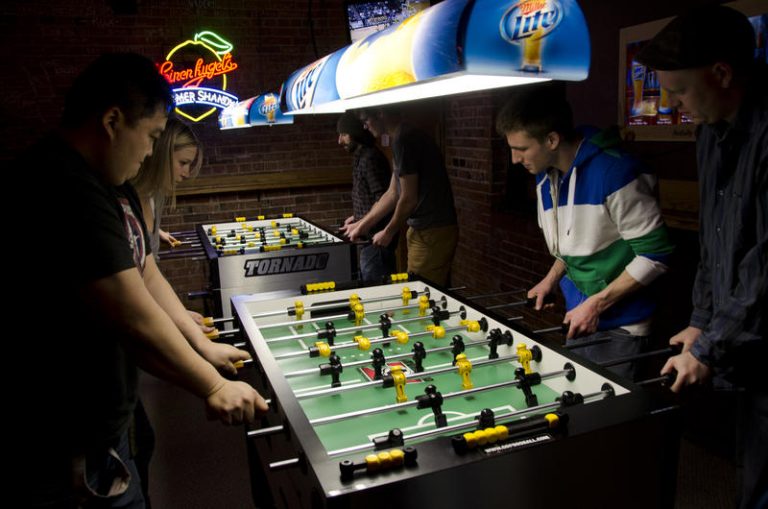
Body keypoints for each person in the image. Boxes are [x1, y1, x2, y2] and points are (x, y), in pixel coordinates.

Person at [14, 53, 267, 508]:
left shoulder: (113, 183)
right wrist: (211, 385)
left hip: (107, 424)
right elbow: (130, 315)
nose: (151, 151)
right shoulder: (63, 185)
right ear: (112, 121)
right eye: (151, 135)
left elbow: (146, 273)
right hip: (63, 443)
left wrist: (201, 344)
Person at [636, 5, 767, 508]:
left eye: (680, 91)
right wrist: (700, 321)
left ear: (722, 73)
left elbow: (765, 266)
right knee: (749, 469)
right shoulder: (710, 131)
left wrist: (710, 347)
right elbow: (716, 241)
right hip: (745, 342)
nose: (673, 104)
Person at [496, 86, 674, 380]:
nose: (515, 159)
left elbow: (656, 255)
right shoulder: (544, 176)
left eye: (522, 149)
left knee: (607, 408)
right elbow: (576, 244)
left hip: (622, 326)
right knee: (577, 398)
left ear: (552, 140)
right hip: (579, 313)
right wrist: (551, 279)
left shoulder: (616, 173)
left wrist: (597, 304)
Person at [345, 106, 458, 286]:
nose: (365, 126)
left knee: (421, 292)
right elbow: (392, 194)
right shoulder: (400, 137)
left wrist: (388, 232)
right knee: (418, 288)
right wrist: (361, 225)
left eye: (366, 120)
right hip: (422, 229)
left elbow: (408, 198)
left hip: (432, 230)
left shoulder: (405, 139)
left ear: (380, 113)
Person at [336, 111, 397, 281]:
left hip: (376, 241)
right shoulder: (362, 156)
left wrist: (361, 224)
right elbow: (372, 199)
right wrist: (357, 216)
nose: (340, 141)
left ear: (355, 134)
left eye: (344, 134)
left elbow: (383, 198)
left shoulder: (370, 158)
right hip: (368, 239)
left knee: (377, 291)